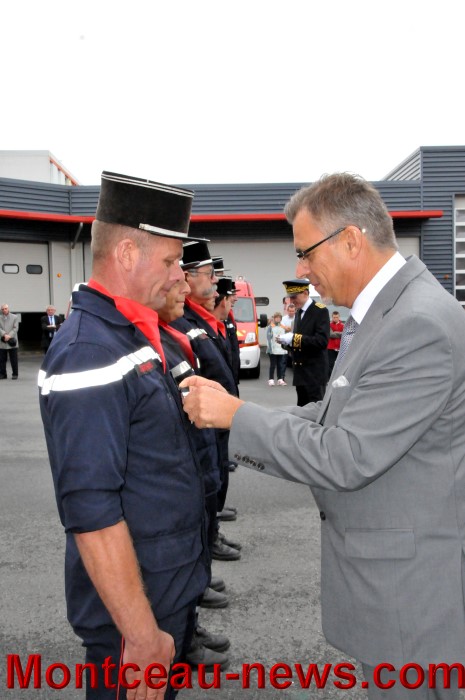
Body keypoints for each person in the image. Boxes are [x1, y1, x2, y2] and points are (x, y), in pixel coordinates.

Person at [180, 172, 465, 699]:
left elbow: (347, 454)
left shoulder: (416, 323)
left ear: (351, 241)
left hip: (414, 595)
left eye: (305, 252)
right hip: (400, 581)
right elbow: (335, 413)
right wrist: (237, 415)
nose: (300, 270)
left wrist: (236, 417)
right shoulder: (390, 311)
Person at [38, 171, 210, 700]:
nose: (179, 276)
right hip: (135, 619)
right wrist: (140, 636)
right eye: (170, 261)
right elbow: (91, 511)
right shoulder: (89, 351)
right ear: (128, 253)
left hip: (162, 591)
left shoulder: (128, 333)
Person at [172, 242, 241, 560]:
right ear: (187, 276)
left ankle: (211, 534)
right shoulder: (182, 320)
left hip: (219, 417)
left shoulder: (203, 319)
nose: (216, 280)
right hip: (205, 420)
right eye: (210, 273)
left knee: (217, 477)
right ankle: (205, 543)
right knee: (206, 484)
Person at [277, 278, 329, 405]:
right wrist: (286, 343)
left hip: (314, 373)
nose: (292, 301)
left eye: (294, 297)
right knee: (302, 409)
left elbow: (322, 341)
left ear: (305, 293)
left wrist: (294, 338)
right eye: (290, 297)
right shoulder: (299, 312)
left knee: (315, 410)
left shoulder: (320, 310)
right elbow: (299, 342)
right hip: (301, 373)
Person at [266, 312, 288, 385]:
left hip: (280, 349)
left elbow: (285, 337)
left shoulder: (283, 327)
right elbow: (268, 338)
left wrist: (285, 347)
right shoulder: (270, 327)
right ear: (274, 318)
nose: (278, 319)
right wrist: (270, 348)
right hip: (273, 349)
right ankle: (271, 379)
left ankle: (280, 379)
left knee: (280, 364)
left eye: (279, 318)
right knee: (273, 364)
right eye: (276, 317)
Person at [0, 303, 19, 379]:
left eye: (5, 308)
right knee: (2, 360)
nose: (4, 310)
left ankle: (15, 374)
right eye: (2, 309)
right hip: (2, 341)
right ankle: (3, 374)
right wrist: (4, 334)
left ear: (8, 309)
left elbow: (15, 328)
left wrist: (9, 336)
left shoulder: (15, 317)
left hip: (12, 341)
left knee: (14, 359)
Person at [327, 309, 344, 375]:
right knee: (330, 364)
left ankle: (338, 376)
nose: (335, 318)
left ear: (339, 317)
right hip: (330, 348)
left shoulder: (343, 325)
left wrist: (335, 333)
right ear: (332, 317)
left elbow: (345, 334)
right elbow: (331, 334)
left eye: (337, 317)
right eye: (334, 317)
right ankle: (330, 378)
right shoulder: (329, 325)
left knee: (340, 364)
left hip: (340, 348)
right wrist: (340, 333)